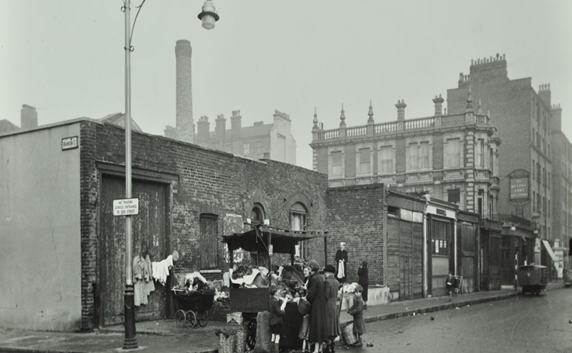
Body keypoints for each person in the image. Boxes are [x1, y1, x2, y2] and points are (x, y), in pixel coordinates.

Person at [306, 259, 328, 353]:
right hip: (321, 305)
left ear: (311, 268)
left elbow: (311, 295)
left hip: (316, 306)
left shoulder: (314, 278)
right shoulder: (320, 277)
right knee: (320, 326)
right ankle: (319, 349)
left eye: (308, 268)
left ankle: (316, 349)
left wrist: (307, 294)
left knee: (316, 327)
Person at [323, 265, 341, 353]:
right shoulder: (337, 282)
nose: (325, 274)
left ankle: (328, 347)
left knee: (328, 325)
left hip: (328, 305)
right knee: (333, 325)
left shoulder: (327, 282)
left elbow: (326, 296)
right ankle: (333, 347)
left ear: (329, 273)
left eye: (325, 272)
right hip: (334, 305)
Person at [268, 286, 288, 353]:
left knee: (273, 337)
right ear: (275, 293)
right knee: (277, 338)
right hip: (277, 322)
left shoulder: (271, 300)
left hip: (272, 321)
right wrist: (283, 311)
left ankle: (271, 351)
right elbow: (279, 312)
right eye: (277, 291)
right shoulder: (275, 302)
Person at [298, 288, 310, 353]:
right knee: (307, 335)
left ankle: (303, 350)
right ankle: (309, 349)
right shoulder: (307, 302)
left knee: (304, 335)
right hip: (308, 317)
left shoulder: (300, 301)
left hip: (304, 317)